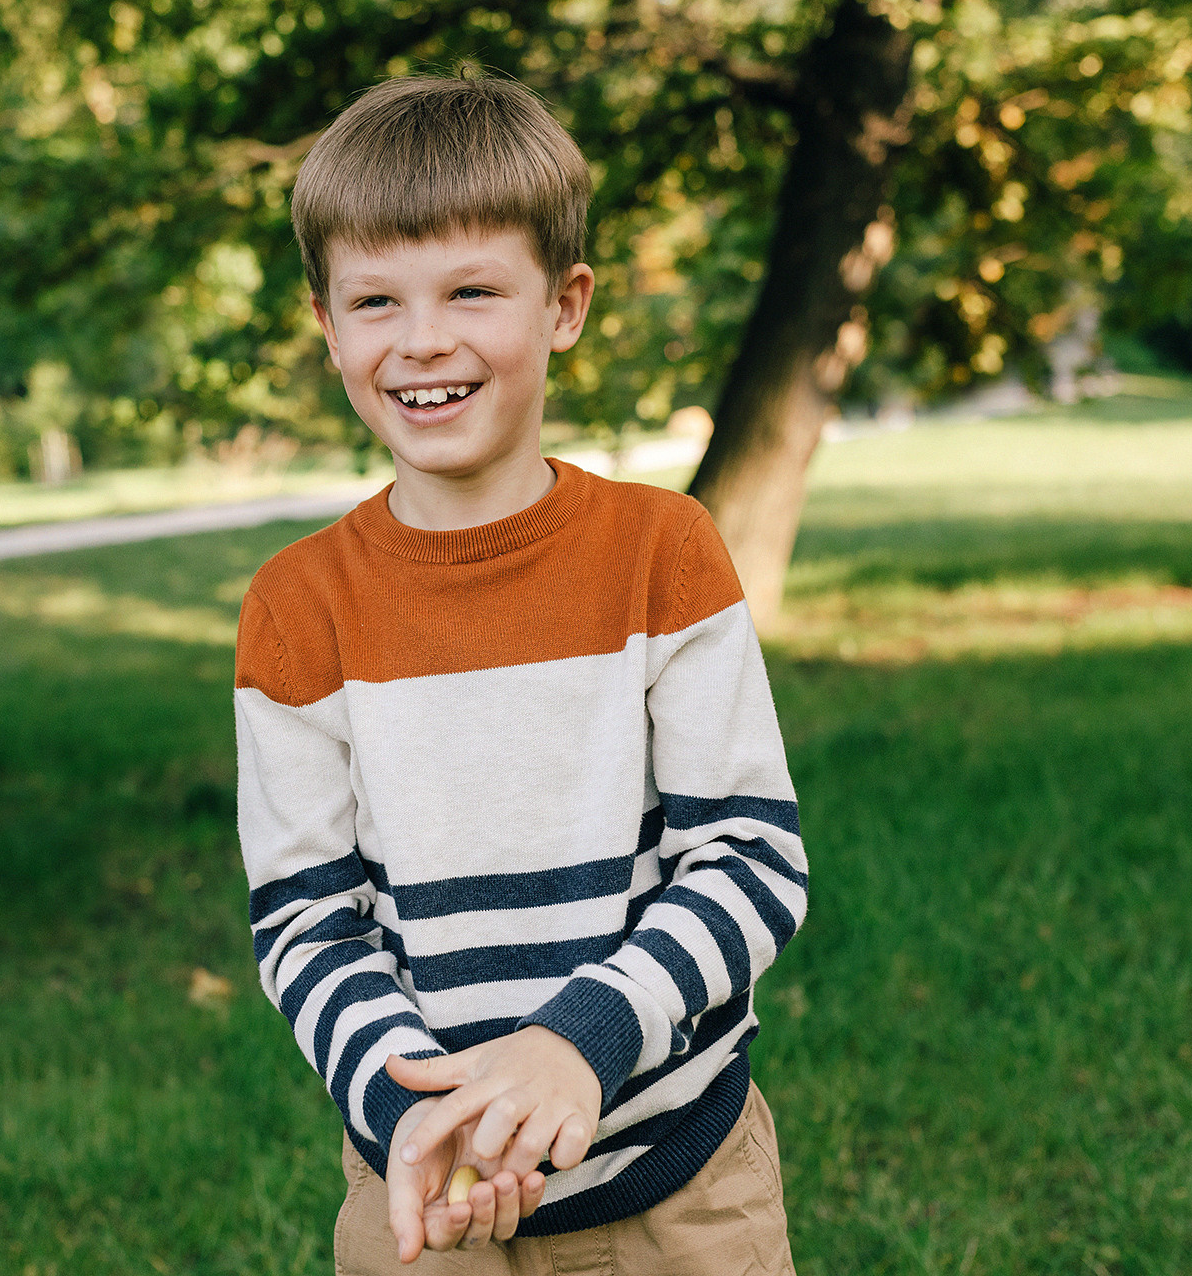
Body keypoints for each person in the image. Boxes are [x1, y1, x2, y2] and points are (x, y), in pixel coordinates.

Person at [234, 70, 806, 1274]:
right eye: (374, 300)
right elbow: (305, 921)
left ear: (564, 304)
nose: (421, 338)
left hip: (678, 1179)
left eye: (472, 290)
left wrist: (578, 1043)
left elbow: (749, 860)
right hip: (423, 1188)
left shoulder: (663, 553)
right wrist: (417, 1115)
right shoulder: (298, 606)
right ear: (327, 326)